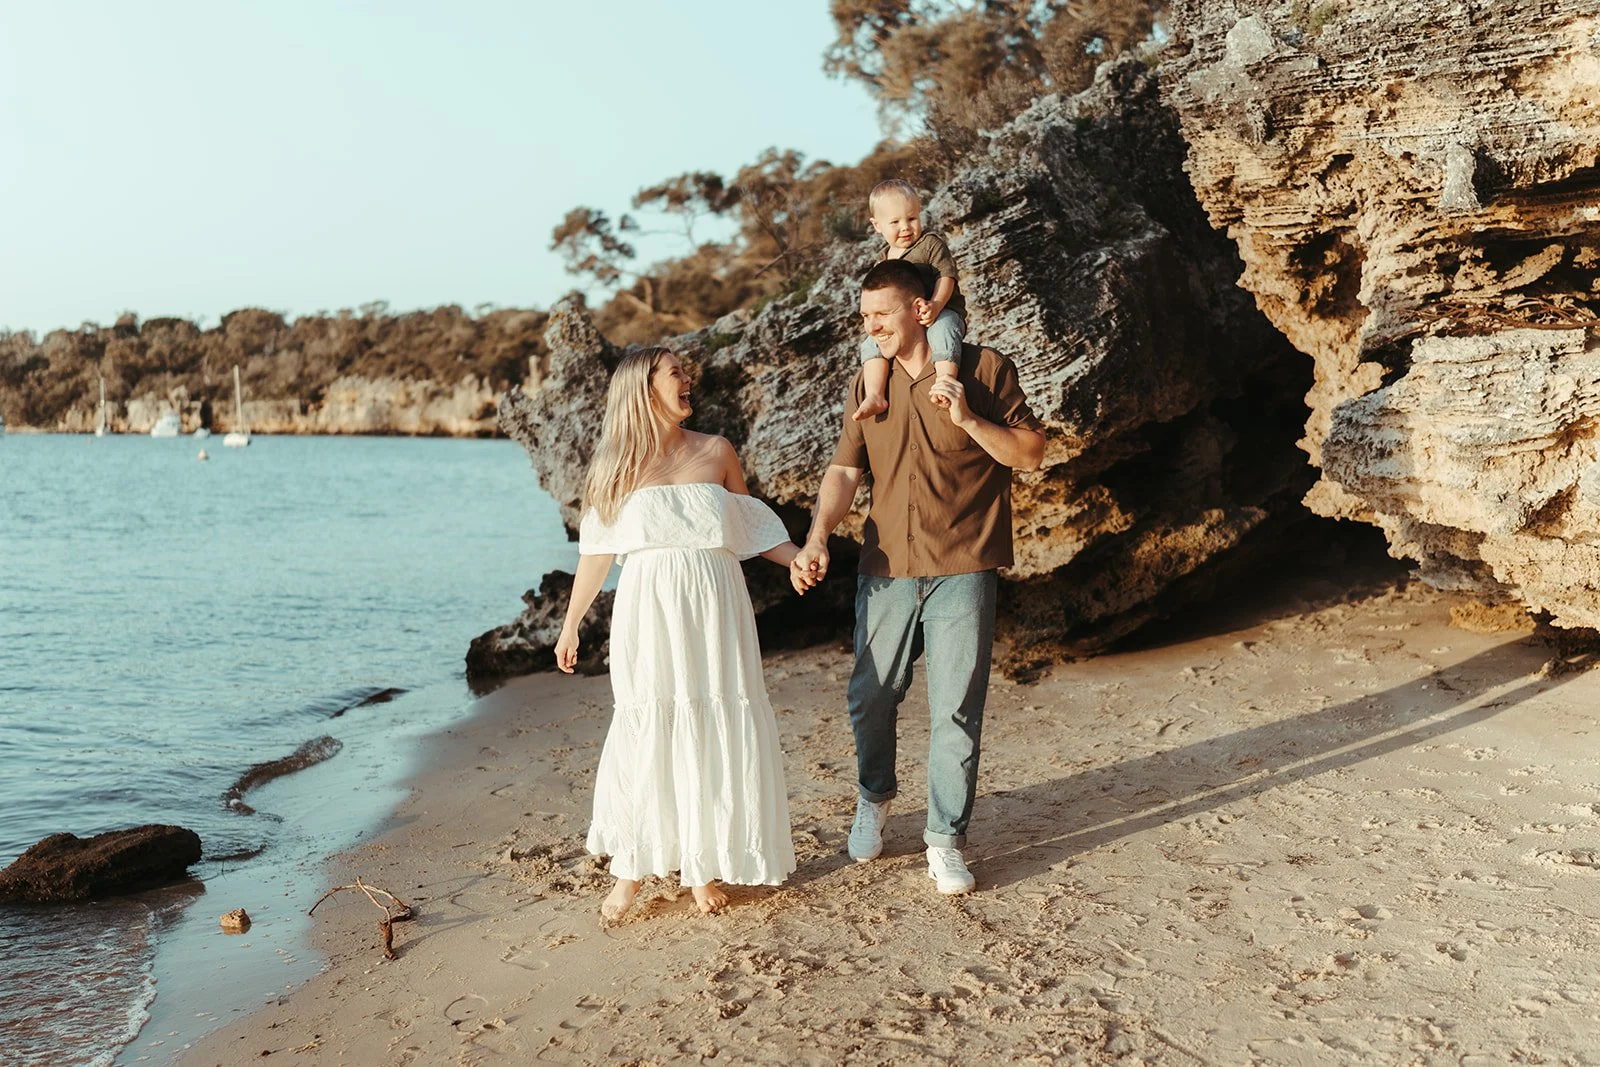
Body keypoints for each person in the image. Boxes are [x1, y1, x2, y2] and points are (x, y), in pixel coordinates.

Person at [792, 259, 1045, 894]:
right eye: (865, 315)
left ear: (920, 311)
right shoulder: (867, 384)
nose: (870, 326)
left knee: (956, 710)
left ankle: (944, 839)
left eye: (881, 315)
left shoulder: (983, 370)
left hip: (964, 563)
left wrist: (968, 420)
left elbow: (1031, 453)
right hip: (886, 568)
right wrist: (819, 536)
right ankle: (875, 797)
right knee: (871, 697)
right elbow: (845, 471)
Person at [556, 347, 801, 921]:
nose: (688, 380)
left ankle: (703, 866)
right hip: (650, 610)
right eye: (676, 373)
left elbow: (752, 525)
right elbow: (596, 555)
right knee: (649, 722)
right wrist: (570, 625)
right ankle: (629, 871)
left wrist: (796, 558)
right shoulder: (615, 467)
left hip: (717, 606)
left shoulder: (717, 452)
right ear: (644, 389)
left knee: (715, 720)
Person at [853, 179, 968, 422]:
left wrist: (936, 305)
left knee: (943, 331)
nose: (905, 227)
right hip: (905, 321)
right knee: (870, 344)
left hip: (941, 310)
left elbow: (946, 277)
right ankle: (874, 394)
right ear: (877, 226)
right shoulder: (882, 261)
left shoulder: (929, 244)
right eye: (895, 222)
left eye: (912, 218)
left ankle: (945, 381)